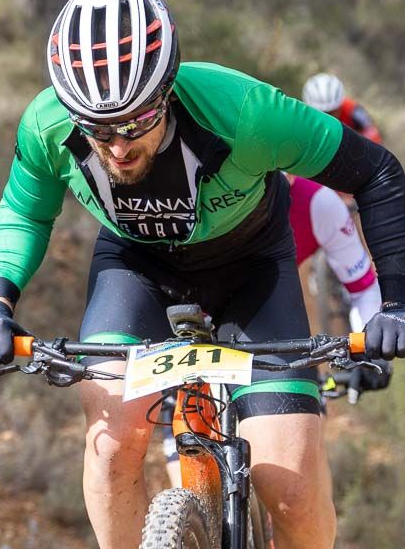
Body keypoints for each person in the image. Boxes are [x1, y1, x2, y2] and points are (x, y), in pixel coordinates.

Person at [0, 0, 405, 549]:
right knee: (112, 440)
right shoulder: (47, 126)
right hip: (135, 272)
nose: (117, 145)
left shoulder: (241, 112)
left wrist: (399, 302)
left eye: (137, 119)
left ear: (169, 88)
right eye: (98, 128)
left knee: (293, 480)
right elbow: (24, 207)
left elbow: (375, 173)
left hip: (253, 270)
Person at [162, 177, 390, 483]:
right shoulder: (196, 192)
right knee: (188, 482)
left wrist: (368, 349)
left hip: (269, 321)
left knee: (301, 476)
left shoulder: (317, 203)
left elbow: (363, 286)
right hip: (191, 324)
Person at [303, 72, 382, 143]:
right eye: (323, 113)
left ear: (340, 104)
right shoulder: (303, 118)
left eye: (332, 111)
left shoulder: (353, 111)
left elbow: (373, 135)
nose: (329, 117)